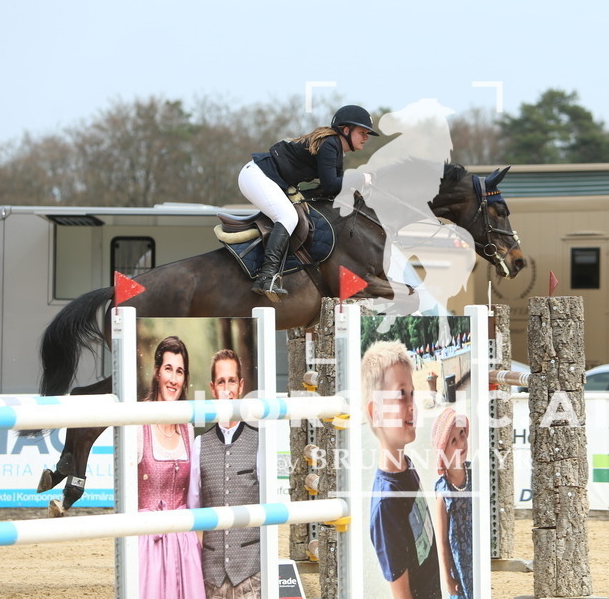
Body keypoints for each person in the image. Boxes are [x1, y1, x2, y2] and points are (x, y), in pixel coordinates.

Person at [237, 105, 379, 301]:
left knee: (294, 214)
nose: (366, 137)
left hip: (270, 180)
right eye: (362, 132)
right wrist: (359, 179)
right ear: (345, 130)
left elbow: (332, 190)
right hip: (257, 176)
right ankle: (267, 276)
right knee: (287, 216)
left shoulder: (336, 150)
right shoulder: (330, 144)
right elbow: (331, 185)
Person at [361, 340, 441, 599]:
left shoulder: (407, 467)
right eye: (399, 395)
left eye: (412, 394)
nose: (411, 406)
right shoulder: (386, 506)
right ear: (375, 412)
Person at [188, 349, 261, 599]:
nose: (227, 388)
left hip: (251, 576)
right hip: (211, 576)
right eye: (221, 381)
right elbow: (193, 506)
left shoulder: (259, 441)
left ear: (241, 386)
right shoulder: (199, 444)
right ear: (212, 388)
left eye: (232, 381)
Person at [138, 335, 206, 599]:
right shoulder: (137, 421)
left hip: (183, 545)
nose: (174, 380)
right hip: (147, 544)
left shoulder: (187, 428)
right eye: (168, 369)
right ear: (157, 372)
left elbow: (193, 496)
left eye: (179, 371)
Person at [430, 408, 473, 599]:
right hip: (460, 568)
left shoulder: (476, 474)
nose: (461, 443)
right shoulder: (444, 491)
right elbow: (442, 541)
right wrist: (447, 577)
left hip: (479, 559)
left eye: (461, 434)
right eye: (453, 441)